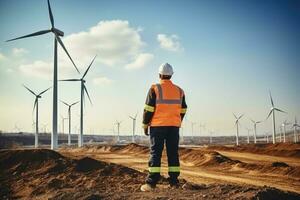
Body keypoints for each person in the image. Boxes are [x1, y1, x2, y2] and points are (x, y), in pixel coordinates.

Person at [140, 63, 187, 192]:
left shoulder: (155, 88)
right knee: (173, 153)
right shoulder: (179, 90)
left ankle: (151, 183)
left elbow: (148, 109)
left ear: (159, 74)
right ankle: (174, 182)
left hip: (158, 126)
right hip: (174, 126)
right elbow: (183, 109)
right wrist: (177, 120)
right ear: (171, 75)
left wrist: (145, 124)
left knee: (156, 153)